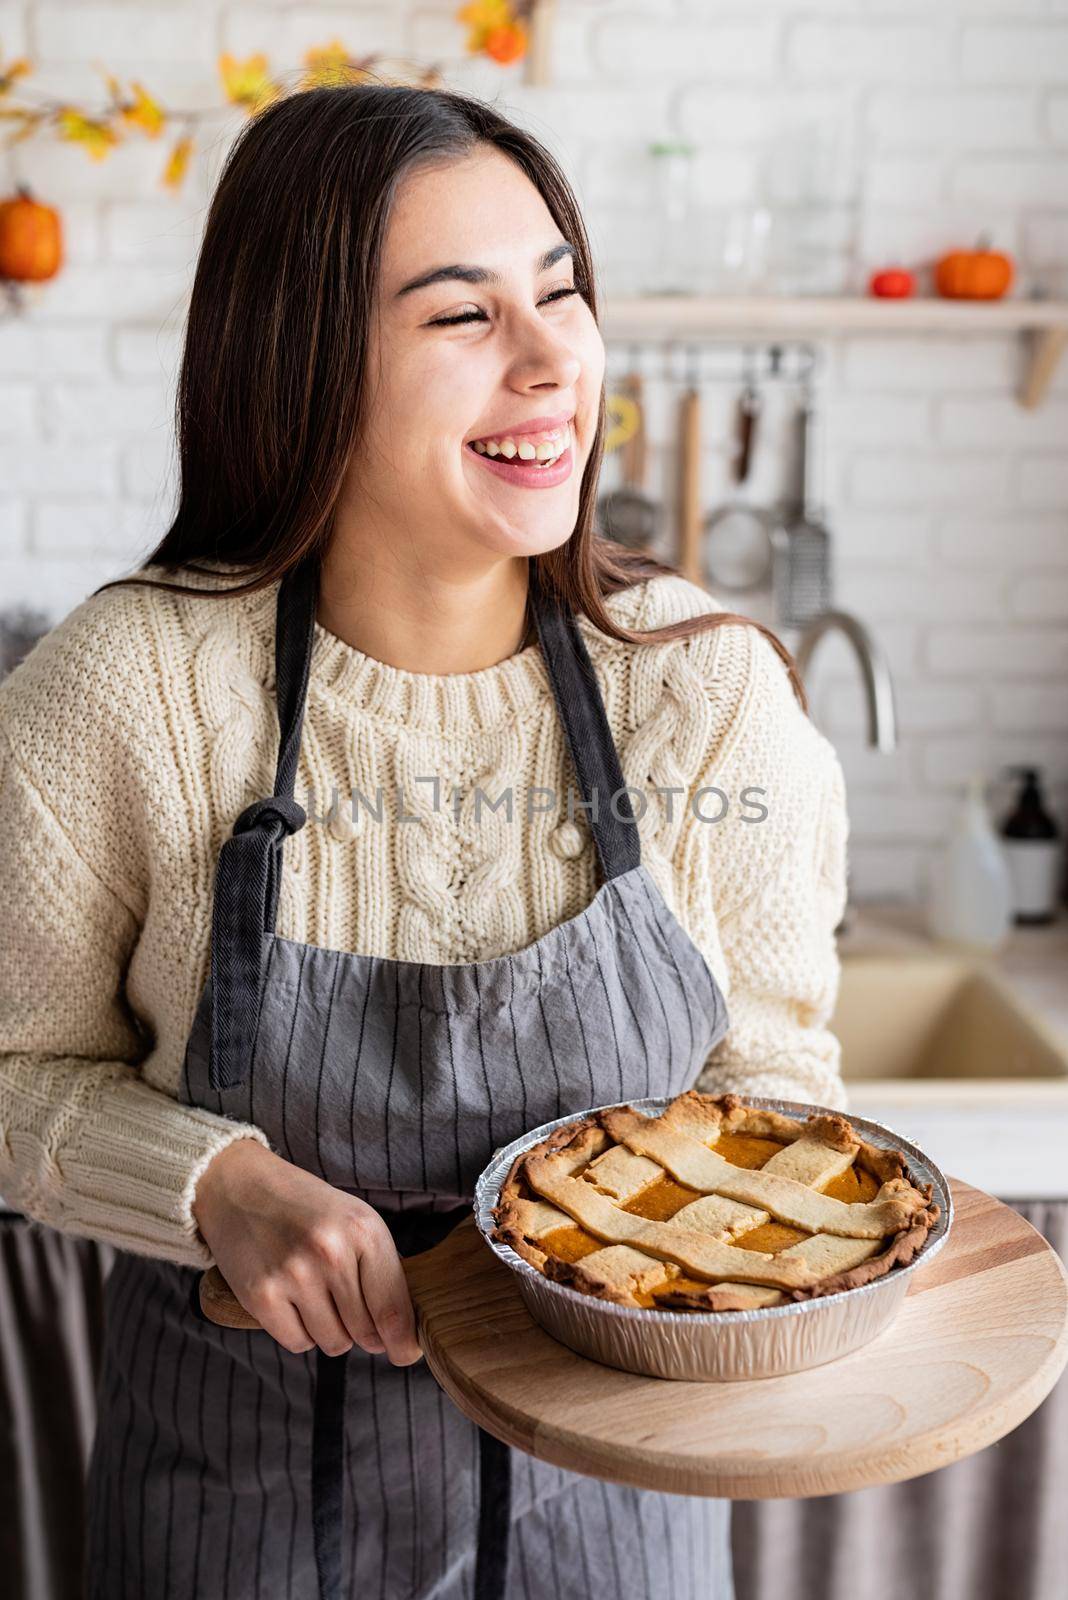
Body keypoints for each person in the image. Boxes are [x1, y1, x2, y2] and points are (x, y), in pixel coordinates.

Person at [0, 83, 849, 1600]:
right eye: (463, 317)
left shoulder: (708, 692)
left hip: (619, 1522)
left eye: (563, 294)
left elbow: (773, 1087)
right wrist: (212, 1188)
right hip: (238, 1519)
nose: (551, 366)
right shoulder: (122, 696)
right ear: (307, 361)